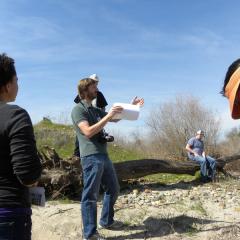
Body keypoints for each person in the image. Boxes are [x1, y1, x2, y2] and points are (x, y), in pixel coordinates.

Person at [71, 77, 144, 240]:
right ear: (84, 91)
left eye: (96, 86)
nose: (96, 89)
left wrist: (132, 106)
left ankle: (106, 221)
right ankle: (89, 234)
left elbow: (115, 118)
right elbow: (88, 132)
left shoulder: (95, 110)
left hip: (103, 155)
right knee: (90, 195)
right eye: (93, 87)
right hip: (90, 156)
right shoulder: (78, 110)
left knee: (113, 189)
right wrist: (108, 115)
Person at [0, 53, 42, 239]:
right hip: (8, 214)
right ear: (7, 85)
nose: (18, 85)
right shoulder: (15, 115)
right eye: (16, 80)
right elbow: (27, 175)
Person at [73, 74, 108, 159]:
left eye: (96, 83)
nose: (96, 87)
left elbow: (103, 107)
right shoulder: (79, 107)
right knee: (81, 137)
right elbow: (78, 104)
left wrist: (102, 116)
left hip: (96, 118)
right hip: (85, 119)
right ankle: (77, 157)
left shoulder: (99, 94)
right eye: (93, 84)